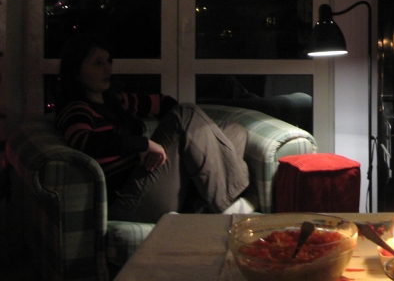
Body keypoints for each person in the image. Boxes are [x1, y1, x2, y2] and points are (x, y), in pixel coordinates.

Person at [54, 34, 252, 223]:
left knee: (234, 131)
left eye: (109, 61)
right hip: (128, 200)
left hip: (152, 183)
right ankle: (227, 205)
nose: (108, 69)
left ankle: (202, 208)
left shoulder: (117, 101)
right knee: (185, 112)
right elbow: (86, 143)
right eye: (98, 63)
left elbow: (164, 103)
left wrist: (185, 140)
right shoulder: (75, 109)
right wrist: (143, 144)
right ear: (76, 71)